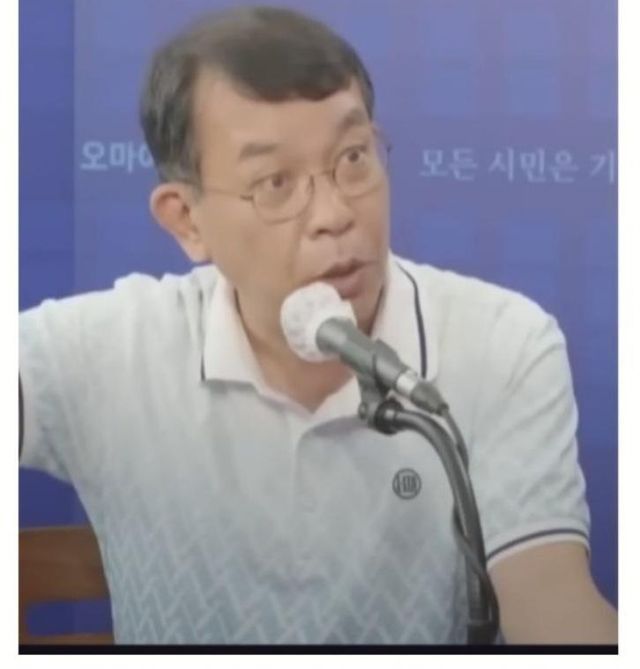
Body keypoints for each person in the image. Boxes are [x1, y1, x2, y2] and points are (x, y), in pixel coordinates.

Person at [19, 5, 617, 645]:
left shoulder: (502, 342)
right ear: (187, 220)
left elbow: (547, 597)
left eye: (354, 157)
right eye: (275, 182)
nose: (335, 213)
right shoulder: (107, 352)